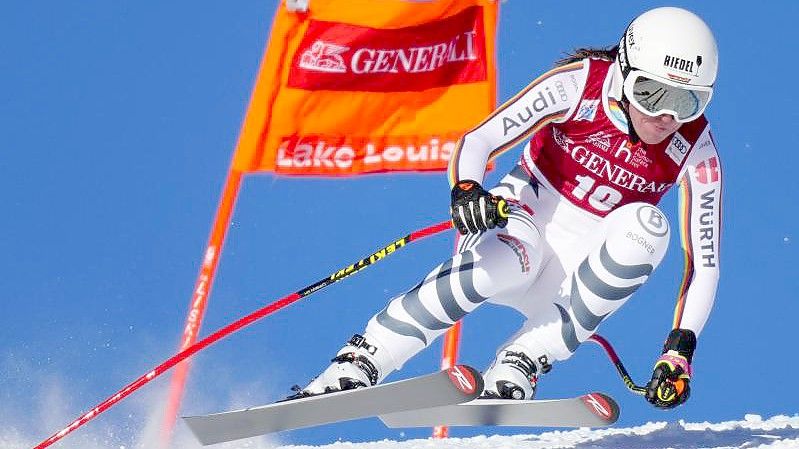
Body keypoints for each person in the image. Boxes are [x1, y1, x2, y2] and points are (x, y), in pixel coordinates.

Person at [297, 6, 721, 409]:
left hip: (575, 278)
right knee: (508, 261)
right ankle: (365, 357)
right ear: (624, 72)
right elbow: (480, 139)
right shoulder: (579, 86)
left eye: (687, 103)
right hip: (520, 223)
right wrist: (467, 189)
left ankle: (523, 359)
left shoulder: (696, 150)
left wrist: (679, 349)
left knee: (649, 226)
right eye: (650, 94)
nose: (666, 116)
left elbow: (704, 263)